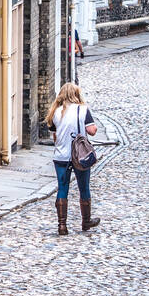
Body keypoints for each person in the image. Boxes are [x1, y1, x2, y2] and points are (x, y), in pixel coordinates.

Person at [46, 81, 101, 235]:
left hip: (61, 157)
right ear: (76, 95)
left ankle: (62, 226)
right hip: (79, 156)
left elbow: (55, 136)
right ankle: (86, 221)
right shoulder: (83, 110)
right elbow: (92, 131)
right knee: (84, 187)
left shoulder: (55, 112)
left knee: (63, 188)